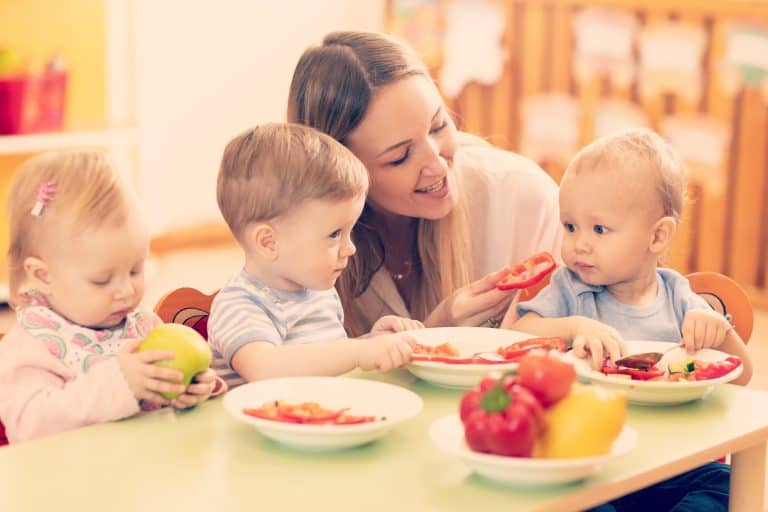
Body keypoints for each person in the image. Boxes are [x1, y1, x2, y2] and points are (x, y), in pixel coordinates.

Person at [287, 31, 561, 337]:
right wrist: (435, 332)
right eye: (401, 157)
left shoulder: (522, 196)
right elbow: (305, 375)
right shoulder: (301, 243)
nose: (437, 165)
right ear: (340, 171)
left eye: (439, 126)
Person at [0, 151, 219, 443]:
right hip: (74, 483)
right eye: (102, 280)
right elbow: (27, 426)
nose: (127, 291)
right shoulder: (33, 345)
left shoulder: (142, 325)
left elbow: (163, 409)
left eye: (135, 270)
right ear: (43, 276)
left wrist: (194, 388)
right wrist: (117, 384)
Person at [511, 128, 752, 386]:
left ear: (657, 237)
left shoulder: (678, 297)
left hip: (668, 421)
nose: (579, 244)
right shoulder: (571, 288)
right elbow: (516, 336)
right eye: (570, 226)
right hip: (593, 418)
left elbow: (743, 376)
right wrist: (574, 327)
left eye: (599, 229)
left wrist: (717, 329)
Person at [208, 123, 421, 387]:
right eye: (334, 234)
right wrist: (356, 353)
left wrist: (372, 343)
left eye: (349, 231)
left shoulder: (317, 293)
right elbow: (265, 368)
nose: (350, 248)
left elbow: (324, 360)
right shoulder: (239, 304)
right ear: (268, 242)